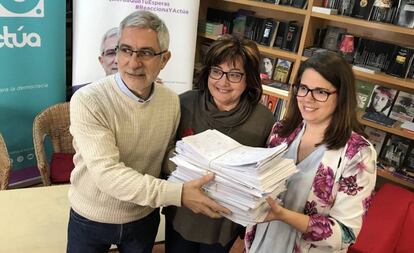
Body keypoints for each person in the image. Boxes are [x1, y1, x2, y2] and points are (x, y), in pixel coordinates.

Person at [67, 10, 229, 253]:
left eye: (146, 53)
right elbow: (108, 175)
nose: (133, 62)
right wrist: (181, 194)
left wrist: (209, 171)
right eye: (125, 50)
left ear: (164, 59)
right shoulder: (88, 100)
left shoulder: (171, 101)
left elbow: (165, 156)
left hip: (143, 216)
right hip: (92, 216)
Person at [245, 51, 377, 253]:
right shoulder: (281, 131)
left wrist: (283, 215)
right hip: (260, 244)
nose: (308, 98)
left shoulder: (358, 154)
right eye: (303, 88)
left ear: (341, 96)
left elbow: (345, 235)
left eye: (321, 92)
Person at [164, 34, 276, 253]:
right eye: (216, 71)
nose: (223, 82)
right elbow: (164, 153)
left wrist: (244, 236)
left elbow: (264, 182)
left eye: (234, 75)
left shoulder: (264, 120)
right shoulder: (185, 103)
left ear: (249, 78)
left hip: (226, 223)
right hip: (183, 213)